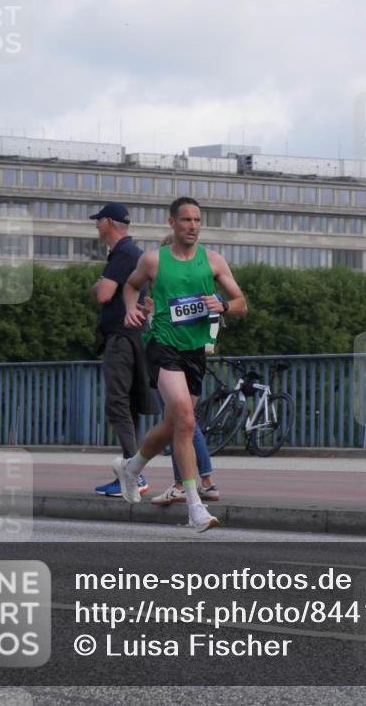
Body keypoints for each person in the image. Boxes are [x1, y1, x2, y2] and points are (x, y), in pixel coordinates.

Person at [114, 196, 247, 532]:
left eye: (198, 221)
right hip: (161, 346)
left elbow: (241, 302)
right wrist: (131, 308)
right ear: (172, 223)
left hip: (194, 352)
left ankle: (131, 469)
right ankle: (194, 507)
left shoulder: (213, 261)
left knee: (175, 424)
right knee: (187, 421)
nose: (193, 227)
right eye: (186, 220)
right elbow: (130, 286)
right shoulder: (154, 260)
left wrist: (223, 306)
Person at [144, 233, 219, 507]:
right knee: (183, 421)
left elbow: (175, 326)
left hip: (179, 357)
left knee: (182, 422)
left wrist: (152, 315)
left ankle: (189, 483)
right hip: (185, 355)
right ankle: (201, 482)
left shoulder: (185, 285)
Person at [88, 202, 157, 498]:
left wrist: (97, 286)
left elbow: (103, 294)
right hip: (136, 337)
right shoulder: (135, 253)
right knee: (129, 405)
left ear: (109, 223)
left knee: (118, 404)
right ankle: (132, 472)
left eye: (98, 221)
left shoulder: (122, 253)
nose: (95, 226)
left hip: (121, 337)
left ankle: (133, 476)